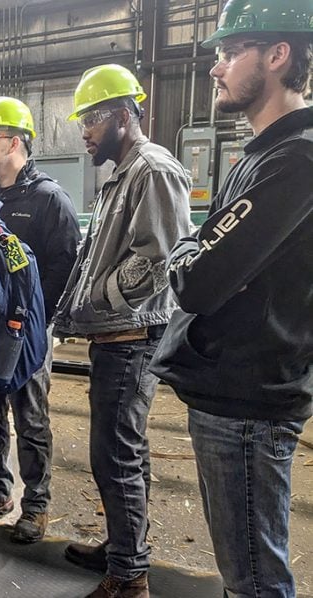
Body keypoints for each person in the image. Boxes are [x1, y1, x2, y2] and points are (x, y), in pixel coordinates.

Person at [150, 1, 313, 596]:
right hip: (231, 392)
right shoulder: (262, 155)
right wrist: (195, 250)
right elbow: (202, 252)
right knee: (242, 568)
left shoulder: (296, 159)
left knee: (253, 578)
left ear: (276, 56)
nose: (215, 69)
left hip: (248, 399)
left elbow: (196, 279)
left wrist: (191, 253)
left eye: (227, 53)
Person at [52, 65, 191, 598]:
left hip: (132, 334)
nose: (83, 132)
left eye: (90, 119)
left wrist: (103, 295)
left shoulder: (152, 170)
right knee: (121, 449)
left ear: (120, 117)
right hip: (118, 333)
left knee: (115, 453)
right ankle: (124, 549)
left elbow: (161, 260)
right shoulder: (125, 171)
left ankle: (130, 576)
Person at [0, 97, 80, 540]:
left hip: (28, 334)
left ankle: (37, 503)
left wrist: (37, 324)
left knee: (31, 419)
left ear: (14, 142)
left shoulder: (49, 199)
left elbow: (65, 267)